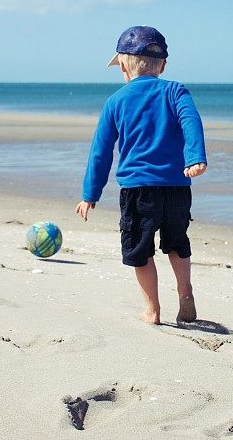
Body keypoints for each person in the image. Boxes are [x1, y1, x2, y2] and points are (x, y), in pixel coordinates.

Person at [75, 25, 207, 325]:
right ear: (163, 65)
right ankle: (184, 289)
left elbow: (101, 151)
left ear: (123, 65)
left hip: (138, 191)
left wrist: (89, 194)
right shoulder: (175, 91)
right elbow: (191, 121)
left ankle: (153, 310)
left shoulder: (115, 102)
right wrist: (196, 157)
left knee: (140, 250)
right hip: (176, 186)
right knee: (177, 241)